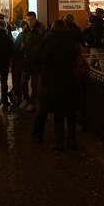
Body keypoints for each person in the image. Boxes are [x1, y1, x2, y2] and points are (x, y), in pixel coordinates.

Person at [35, 19, 79, 150]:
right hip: (71, 79)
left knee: (59, 111)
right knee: (71, 111)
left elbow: (44, 60)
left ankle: (59, 142)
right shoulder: (71, 41)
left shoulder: (50, 42)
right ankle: (71, 141)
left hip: (55, 81)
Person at [20, 11, 45, 112]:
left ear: (35, 19)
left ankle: (33, 102)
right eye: (28, 19)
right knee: (23, 82)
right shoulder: (26, 30)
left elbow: (42, 46)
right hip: (26, 61)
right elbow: (23, 43)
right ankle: (26, 99)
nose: (30, 22)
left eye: (31, 19)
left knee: (35, 85)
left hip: (37, 62)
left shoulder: (40, 30)